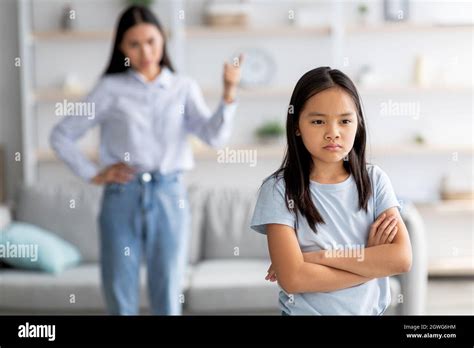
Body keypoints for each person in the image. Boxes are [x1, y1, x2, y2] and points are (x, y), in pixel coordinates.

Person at [50, 5, 242, 315]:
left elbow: (214, 136)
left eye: (151, 41)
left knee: (167, 288)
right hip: (121, 196)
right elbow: (61, 135)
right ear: (121, 48)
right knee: (119, 288)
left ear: (163, 40)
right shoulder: (109, 89)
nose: (145, 51)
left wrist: (229, 92)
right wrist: (93, 173)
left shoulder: (182, 88)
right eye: (134, 44)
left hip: (169, 195)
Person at [250, 67, 412, 315]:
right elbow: (293, 279)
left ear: (358, 124)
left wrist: (315, 258)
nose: (333, 133)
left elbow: (401, 259)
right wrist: (370, 262)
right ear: (296, 126)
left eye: (345, 121)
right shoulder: (278, 190)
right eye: (318, 121)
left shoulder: (375, 181)